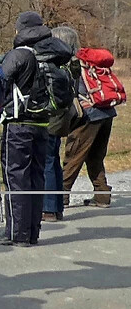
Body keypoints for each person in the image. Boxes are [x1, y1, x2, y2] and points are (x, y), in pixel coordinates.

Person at [0, 12, 72, 247]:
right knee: (37, 178)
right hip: (43, 124)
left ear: (20, 30)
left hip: (18, 125)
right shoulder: (52, 54)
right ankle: (32, 232)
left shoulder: (19, 54)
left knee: (16, 178)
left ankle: (17, 234)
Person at [62, 46, 118, 209]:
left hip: (89, 115)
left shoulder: (71, 65)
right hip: (107, 112)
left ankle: (60, 197)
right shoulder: (92, 64)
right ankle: (102, 196)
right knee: (95, 156)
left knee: (74, 155)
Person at [42, 26, 81, 222]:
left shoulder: (59, 65)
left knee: (47, 161)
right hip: (64, 116)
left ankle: (48, 208)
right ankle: (56, 206)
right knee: (54, 160)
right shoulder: (74, 63)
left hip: (53, 116)